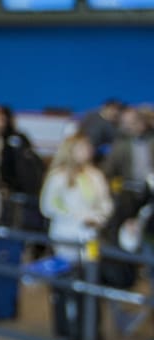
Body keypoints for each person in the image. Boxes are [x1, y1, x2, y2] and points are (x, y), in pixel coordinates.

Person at [41, 134, 113, 262]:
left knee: (90, 270)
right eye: (82, 147)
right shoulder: (57, 176)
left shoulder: (95, 175)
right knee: (68, 271)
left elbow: (105, 202)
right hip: (65, 233)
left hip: (92, 233)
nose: (88, 150)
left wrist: (99, 218)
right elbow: (48, 207)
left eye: (88, 146)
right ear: (70, 150)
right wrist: (78, 218)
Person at [103, 106, 153, 188]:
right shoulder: (120, 145)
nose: (131, 126)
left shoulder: (151, 140)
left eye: (134, 121)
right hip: (131, 189)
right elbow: (109, 169)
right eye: (127, 123)